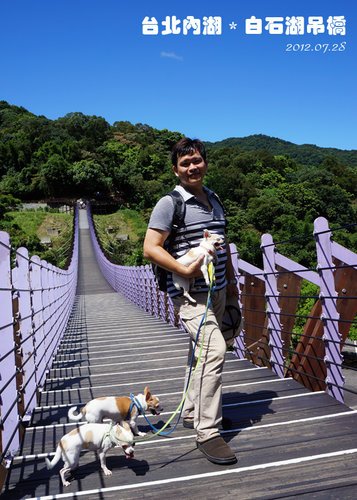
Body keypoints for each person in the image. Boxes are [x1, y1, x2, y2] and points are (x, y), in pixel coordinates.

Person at [143, 138, 238, 465]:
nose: (192, 167)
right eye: (185, 163)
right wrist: (183, 268)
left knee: (201, 353)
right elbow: (151, 248)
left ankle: (192, 411)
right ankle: (208, 431)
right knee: (214, 351)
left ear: (205, 163)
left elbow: (223, 249)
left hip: (220, 290)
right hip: (189, 294)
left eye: (196, 161)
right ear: (176, 169)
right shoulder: (170, 203)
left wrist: (234, 293)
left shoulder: (214, 199)